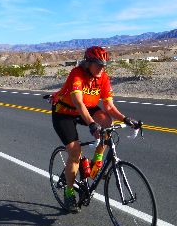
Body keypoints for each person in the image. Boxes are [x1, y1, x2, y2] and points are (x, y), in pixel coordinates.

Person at [51, 46, 142, 213]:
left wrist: (126, 120)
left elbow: (109, 106)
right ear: (88, 63)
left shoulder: (103, 78)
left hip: (87, 108)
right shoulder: (77, 73)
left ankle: (97, 160)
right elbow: (78, 103)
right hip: (64, 112)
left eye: (104, 65)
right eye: (98, 64)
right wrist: (92, 124)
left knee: (107, 122)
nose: (102, 68)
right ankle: (69, 191)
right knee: (75, 152)